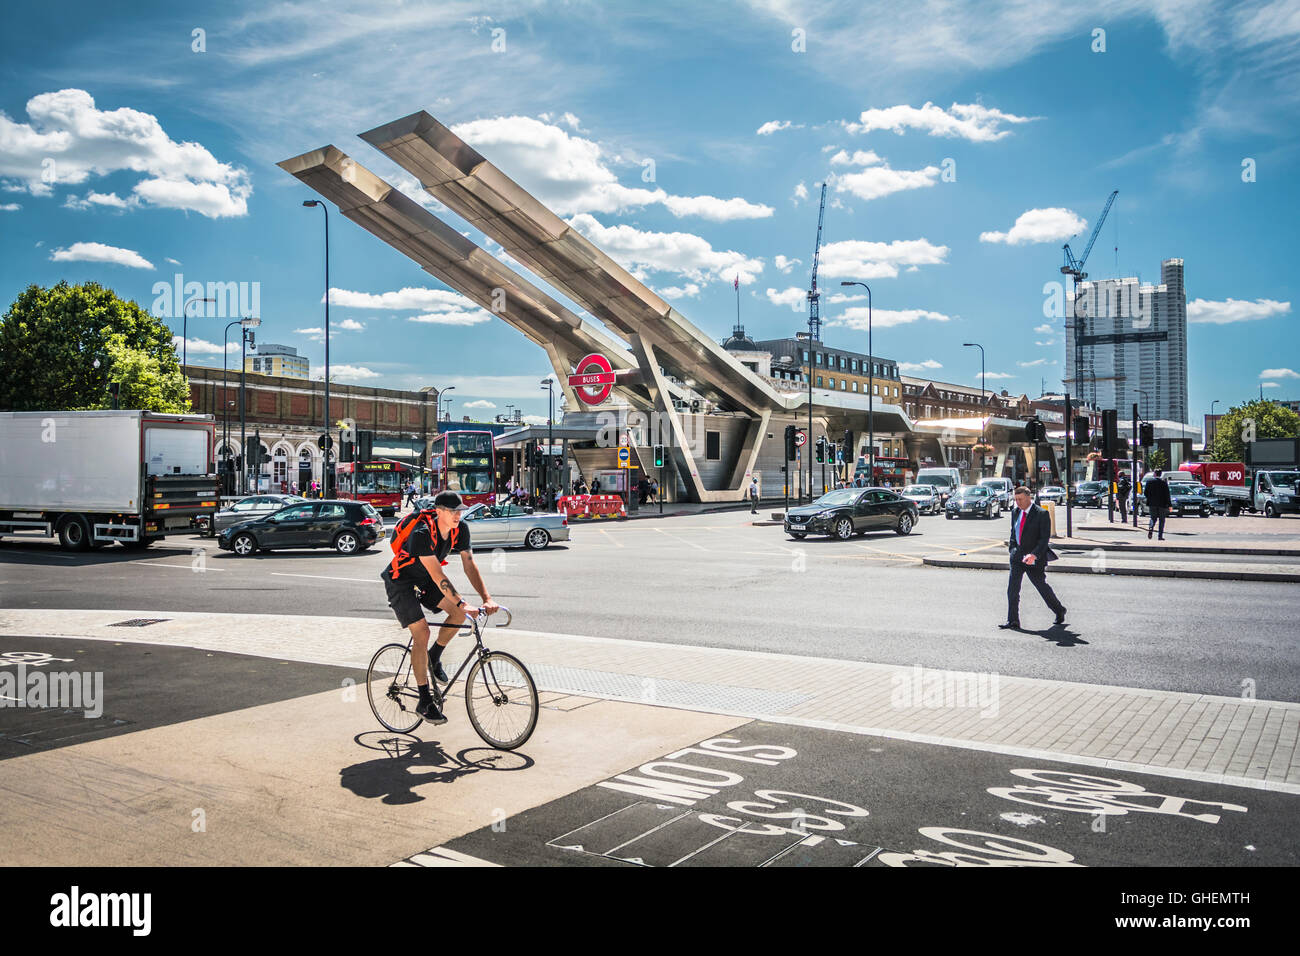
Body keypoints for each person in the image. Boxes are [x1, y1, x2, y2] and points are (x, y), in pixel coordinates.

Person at [380, 490, 499, 723]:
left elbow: (469, 563)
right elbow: (437, 574)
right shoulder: (422, 532)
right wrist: (464, 602)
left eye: (460, 511)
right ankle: (424, 701)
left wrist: (487, 598)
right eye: (453, 511)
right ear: (439, 511)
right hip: (401, 581)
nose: (458, 515)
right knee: (422, 632)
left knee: (457, 614)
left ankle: (433, 657)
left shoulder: (460, 529)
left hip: (424, 581)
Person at [1000, 486, 1067, 630]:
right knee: (1012, 590)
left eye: (1020, 499)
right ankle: (1013, 621)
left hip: (1034, 558)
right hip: (1017, 557)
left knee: (1041, 587)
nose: (1017, 502)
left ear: (1028, 498)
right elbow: (1014, 533)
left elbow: (1044, 539)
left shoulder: (1041, 514)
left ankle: (1059, 610)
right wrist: (1012, 549)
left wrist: (1034, 555)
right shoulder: (1015, 512)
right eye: (1015, 499)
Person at [1144, 469, 1171, 540]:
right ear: (1161, 474)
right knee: (1162, 520)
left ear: (1155, 474)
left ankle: (1150, 529)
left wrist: (1150, 499)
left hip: (1152, 504)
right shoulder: (1164, 483)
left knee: (1153, 518)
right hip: (1162, 504)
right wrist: (1169, 504)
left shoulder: (1149, 482)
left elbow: (1145, 493)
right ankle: (1160, 536)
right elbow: (1167, 495)